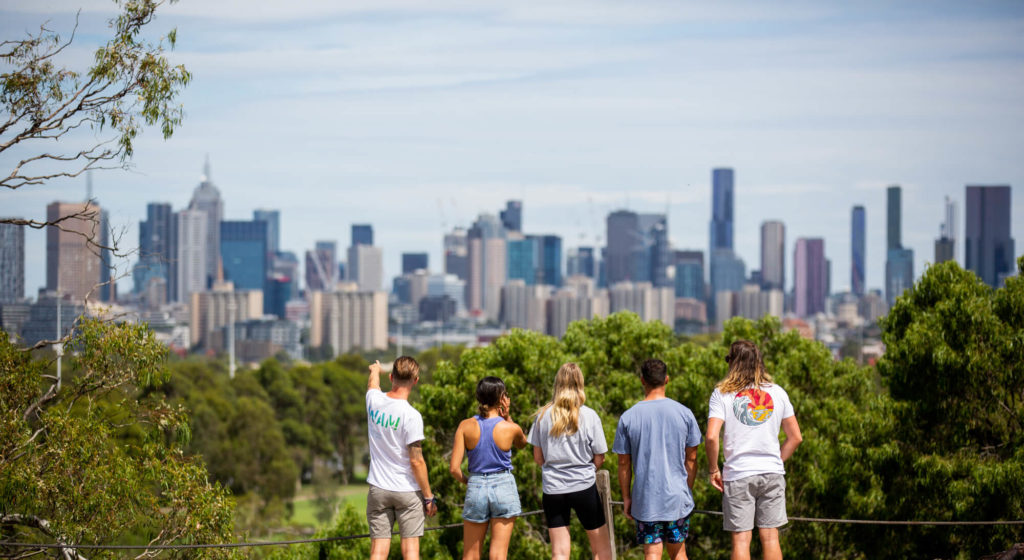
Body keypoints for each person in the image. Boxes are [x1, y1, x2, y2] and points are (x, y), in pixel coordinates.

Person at [705, 340, 803, 560]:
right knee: (770, 538)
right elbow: (795, 437)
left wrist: (713, 470)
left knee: (741, 540)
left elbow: (711, 436)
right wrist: (776, 461)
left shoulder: (721, 394)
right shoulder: (777, 392)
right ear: (760, 363)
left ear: (732, 363)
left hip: (738, 473)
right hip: (772, 472)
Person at [613, 358, 702, 560]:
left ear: (642, 380)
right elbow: (692, 458)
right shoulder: (684, 414)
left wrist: (627, 497)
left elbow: (624, 463)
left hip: (645, 499)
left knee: (652, 553)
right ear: (667, 380)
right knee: (679, 552)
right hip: (677, 497)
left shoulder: (628, 417)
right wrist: (686, 489)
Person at [528, 362, 613, 560]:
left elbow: (538, 458)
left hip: (553, 489)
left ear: (557, 384)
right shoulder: (590, 415)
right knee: (601, 549)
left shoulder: (542, 416)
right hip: (584, 486)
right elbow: (600, 457)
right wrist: (588, 469)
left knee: (559, 552)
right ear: (580, 384)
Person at [366, 357, 437, 560]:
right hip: (407, 491)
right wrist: (429, 496)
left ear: (391, 377)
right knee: (411, 552)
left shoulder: (374, 401)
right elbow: (416, 460)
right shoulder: (412, 415)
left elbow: (373, 384)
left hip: (378, 488)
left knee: (378, 551)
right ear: (415, 380)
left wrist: (375, 369)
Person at [449, 376, 528, 560]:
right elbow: (522, 444)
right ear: (502, 398)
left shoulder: (465, 426)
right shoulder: (510, 428)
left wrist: (470, 482)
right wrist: (507, 415)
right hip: (503, 486)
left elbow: (454, 468)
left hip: (476, 484)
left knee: (470, 554)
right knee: (498, 555)